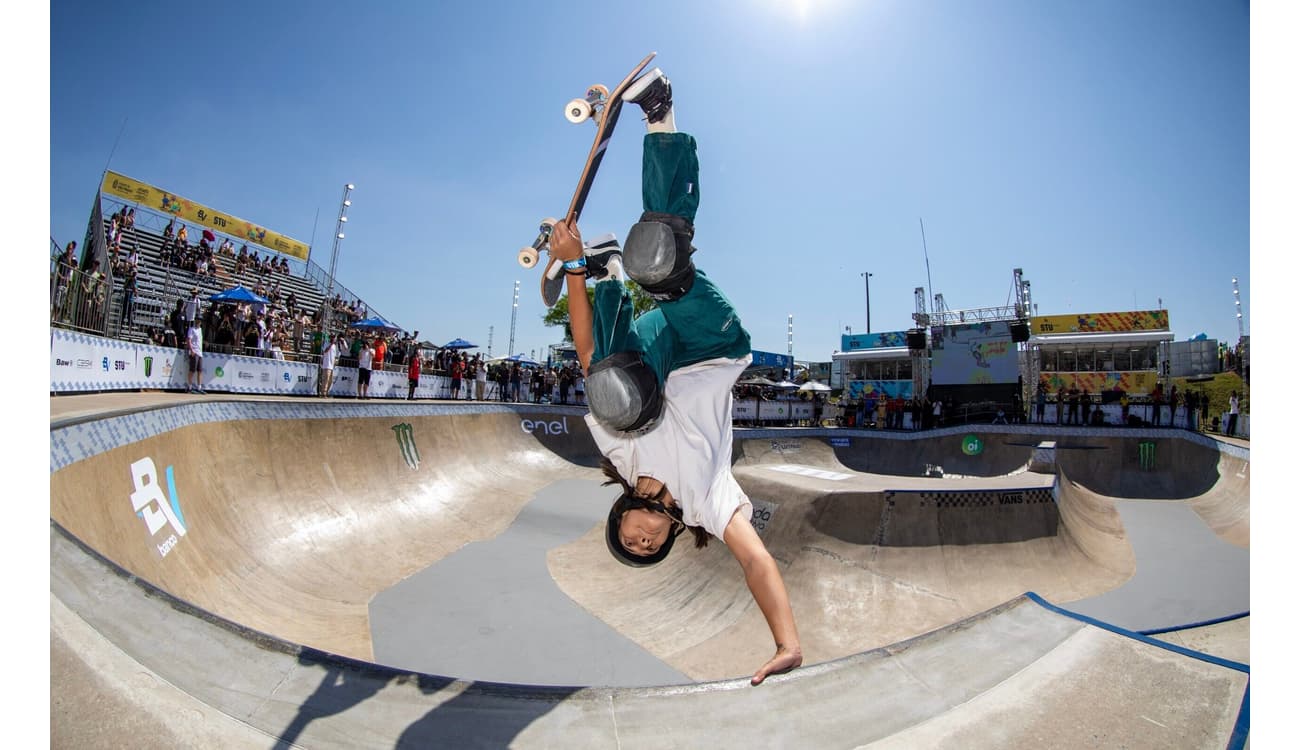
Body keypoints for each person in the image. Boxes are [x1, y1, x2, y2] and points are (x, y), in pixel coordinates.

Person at [549, 68, 800, 686]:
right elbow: (757, 562)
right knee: (658, 259)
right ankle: (661, 113)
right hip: (712, 347)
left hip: (660, 353)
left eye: (626, 539)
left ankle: (606, 272)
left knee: (612, 394)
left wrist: (575, 268)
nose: (638, 538)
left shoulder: (619, 456)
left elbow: (587, 353)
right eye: (646, 547)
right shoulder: (710, 508)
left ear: (620, 519)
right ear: (666, 536)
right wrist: (786, 640)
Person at [186, 319, 205, 394]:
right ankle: (189, 387)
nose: (198, 322)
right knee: (192, 370)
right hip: (194, 351)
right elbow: (189, 340)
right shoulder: (191, 329)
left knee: (200, 370)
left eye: (199, 321)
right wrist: (191, 350)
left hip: (200, 352)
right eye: (197, 321)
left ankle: (199, 387)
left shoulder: (200, 329)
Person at [319, 333, 339, 397]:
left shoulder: (334, 346)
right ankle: (323, 393)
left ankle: (327, 392)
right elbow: (325, 351)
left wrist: (334, 363)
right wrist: (331, 344)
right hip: (327, 364)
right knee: (326, 379)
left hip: (331, 365)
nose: (332, 338)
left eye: (333, 337)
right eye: (332, 337)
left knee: (330, 381)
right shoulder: (326, 343)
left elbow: (335, 356)